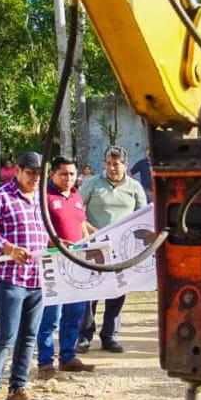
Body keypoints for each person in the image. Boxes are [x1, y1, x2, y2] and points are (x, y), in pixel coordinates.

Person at [0, 151, 49, 400]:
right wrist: (8, 248)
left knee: (29, 336)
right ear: (18, 170)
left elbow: (45, 232)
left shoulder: (40, 198)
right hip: (11, 278)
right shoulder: (2, 196)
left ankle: (18, 389)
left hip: (37, 278)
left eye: (40, 174)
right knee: (6, 335)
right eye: (31, 173)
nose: (35, 179)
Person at [79, 145, 148, 352]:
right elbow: (77, 211)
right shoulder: (91, 184)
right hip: (94, 246)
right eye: (108, 164)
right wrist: (93, 232)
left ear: (125, 165)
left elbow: (143, 217)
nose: (111, 168)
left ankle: (109, 336)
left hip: (121, 249)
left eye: (116, 164)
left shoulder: (135, 188)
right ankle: (84, 336)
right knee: (90, 293)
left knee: (117, 292)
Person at [35, 156, 97, 380]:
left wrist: (95, 238)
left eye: (72, 174)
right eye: (63, 174)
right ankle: (45, 363)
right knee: (51, 316)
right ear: (53, 174)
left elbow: (81, 224)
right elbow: (39, 231)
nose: (68, 178)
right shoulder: (44, 198)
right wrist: (59, 243)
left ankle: (68, 357)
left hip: (76, 264)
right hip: (53, 263)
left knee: (75, 313)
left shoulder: (76, 196)